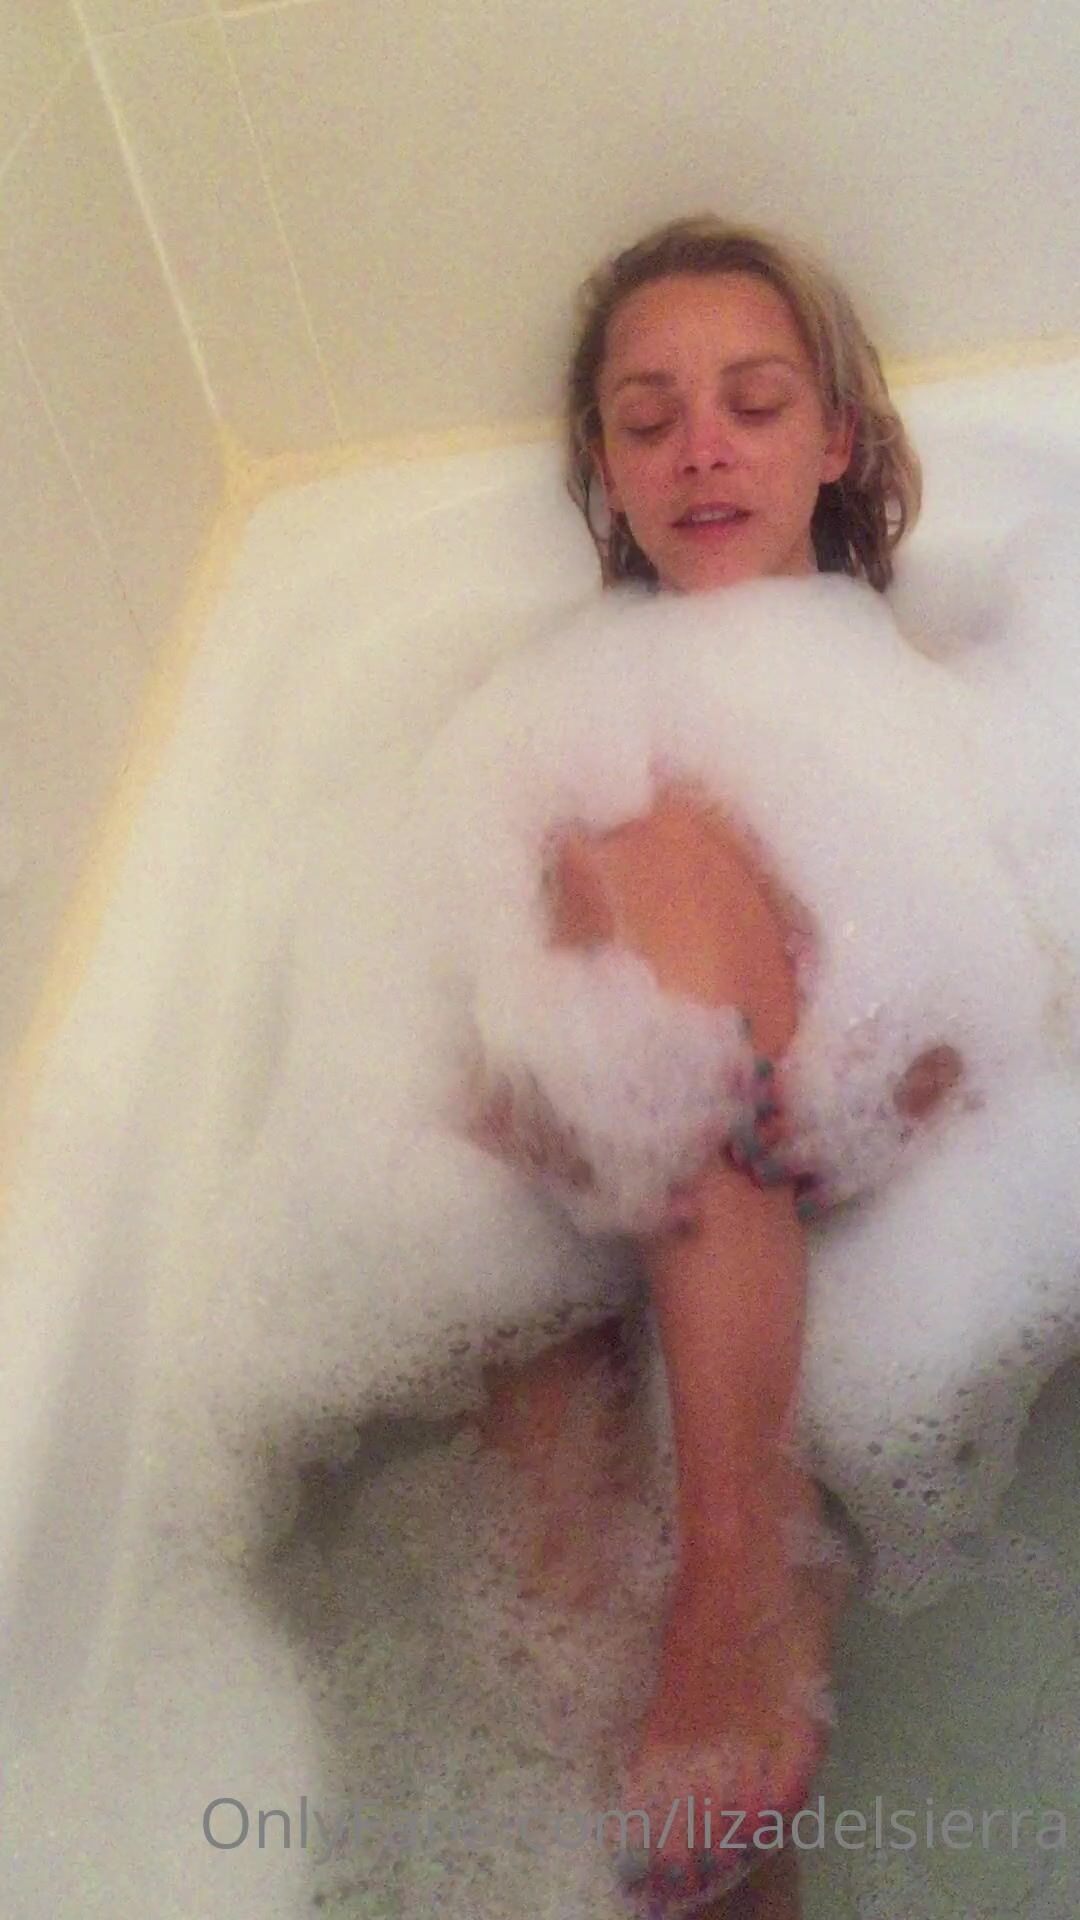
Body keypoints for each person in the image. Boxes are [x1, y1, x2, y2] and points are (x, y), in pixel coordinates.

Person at [465, 214, 960, 1918]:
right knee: (544, 1544)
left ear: (835, 440)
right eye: (648, 418)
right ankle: (713, 1745)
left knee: (646, 849)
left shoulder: (938, 692)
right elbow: (462, 1037)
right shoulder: (539, 714)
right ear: (605, 468)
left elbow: (1028, 974)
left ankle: (741, 1578)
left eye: (754, 404)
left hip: (807, 1174)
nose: (702, 450)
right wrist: (538, 1102)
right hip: (630, 1193)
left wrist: (916, 1069)